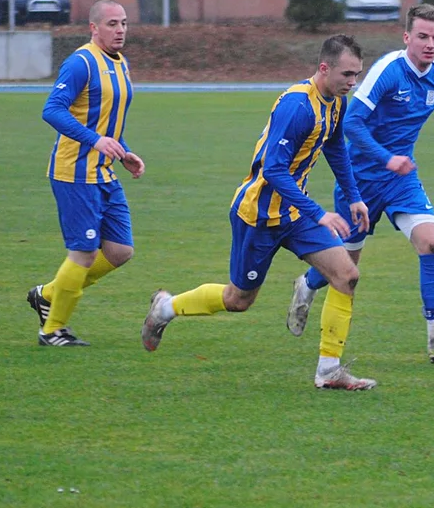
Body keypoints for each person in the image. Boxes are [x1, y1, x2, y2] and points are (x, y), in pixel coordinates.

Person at [140, 34, 377, 391]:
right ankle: (165, 308)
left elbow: (335, 149)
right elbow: (274, 170)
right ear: (324, 68)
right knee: (239, 300)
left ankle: (329, 371)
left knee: (347, 275)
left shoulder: (336, 102)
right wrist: (319, 213)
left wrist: (354, 196)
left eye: (357, 74)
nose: (353, 82)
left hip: (295, 215)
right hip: (258, 216)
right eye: (347, 74)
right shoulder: (297, 107)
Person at [285, 4, 434, 362]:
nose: (430, 44)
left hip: (401, 181)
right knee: (347, 264)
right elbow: (352, 124)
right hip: (358, 182)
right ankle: (307, 283)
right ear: (407, 37)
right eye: (422, 36)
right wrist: (386, 158)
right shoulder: (387, 73)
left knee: (431, 243)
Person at [27, 0, 145, 346]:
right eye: (111, 24)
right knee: (84, 253)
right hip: (74, 173)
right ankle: (52, 330)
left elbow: (106, 118)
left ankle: (48, 294)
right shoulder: (81, 62)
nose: (120, 29)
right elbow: (52, 110)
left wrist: (122, 151)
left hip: (105, 172)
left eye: (123, 23)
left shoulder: (120, 63)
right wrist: (95, 141)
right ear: (93, 28)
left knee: (120, 251)